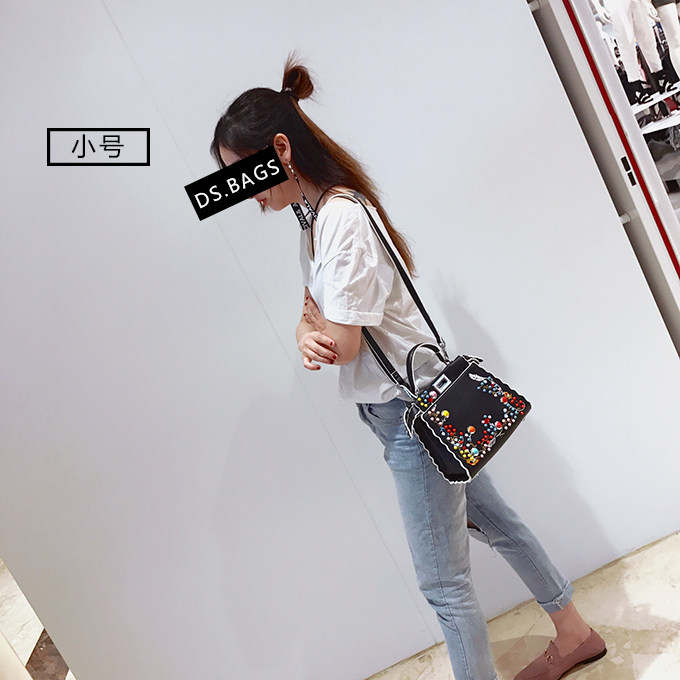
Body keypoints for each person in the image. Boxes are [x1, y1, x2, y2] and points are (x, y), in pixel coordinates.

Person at [210, 51, 607, 680]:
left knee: (444, 584)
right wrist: (305, 330)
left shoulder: (339, 218)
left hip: (411, 419)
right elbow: (312, 315)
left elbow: (339, 343)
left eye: (243, 174)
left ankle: (563, 636)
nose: (243, 192)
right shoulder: (315, 222)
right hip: (416, 407)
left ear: (279, 150)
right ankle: (575, 632)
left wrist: (317, 334)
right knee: (499, 525)